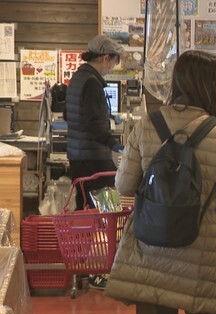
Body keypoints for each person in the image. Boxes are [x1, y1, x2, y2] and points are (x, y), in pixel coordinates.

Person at [104, 50, 216, 314]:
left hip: (152, 245)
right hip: (203, 251)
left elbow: (124, 185)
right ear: (209, 87)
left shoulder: (147, 124)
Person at [65, 35, 125, 289]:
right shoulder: (92, 82)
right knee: (109, 212)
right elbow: (93, 124)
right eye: (113, 61)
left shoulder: (79, 78)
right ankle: (99, 271)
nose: (112, 66)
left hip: (79, 156)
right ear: (104, 57)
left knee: (84, 214)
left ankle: (81, 268)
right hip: (94, 160)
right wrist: (117, 145)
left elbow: (73, 115)